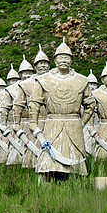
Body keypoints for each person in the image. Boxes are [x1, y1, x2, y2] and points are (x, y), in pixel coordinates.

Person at [29, 40, 96, 180]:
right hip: (52, 123)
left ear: (71, 60)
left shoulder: (81, 81)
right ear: (55, 59)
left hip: (74, 124)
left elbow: (90, 104)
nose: (64, 60)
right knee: (48, 161)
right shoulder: (44, 80)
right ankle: (46, 188)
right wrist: (34, 124)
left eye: (67, 57)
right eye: (61, 57)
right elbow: (34, 104)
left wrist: (81, 122)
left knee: (76, 160)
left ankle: (77, 187)